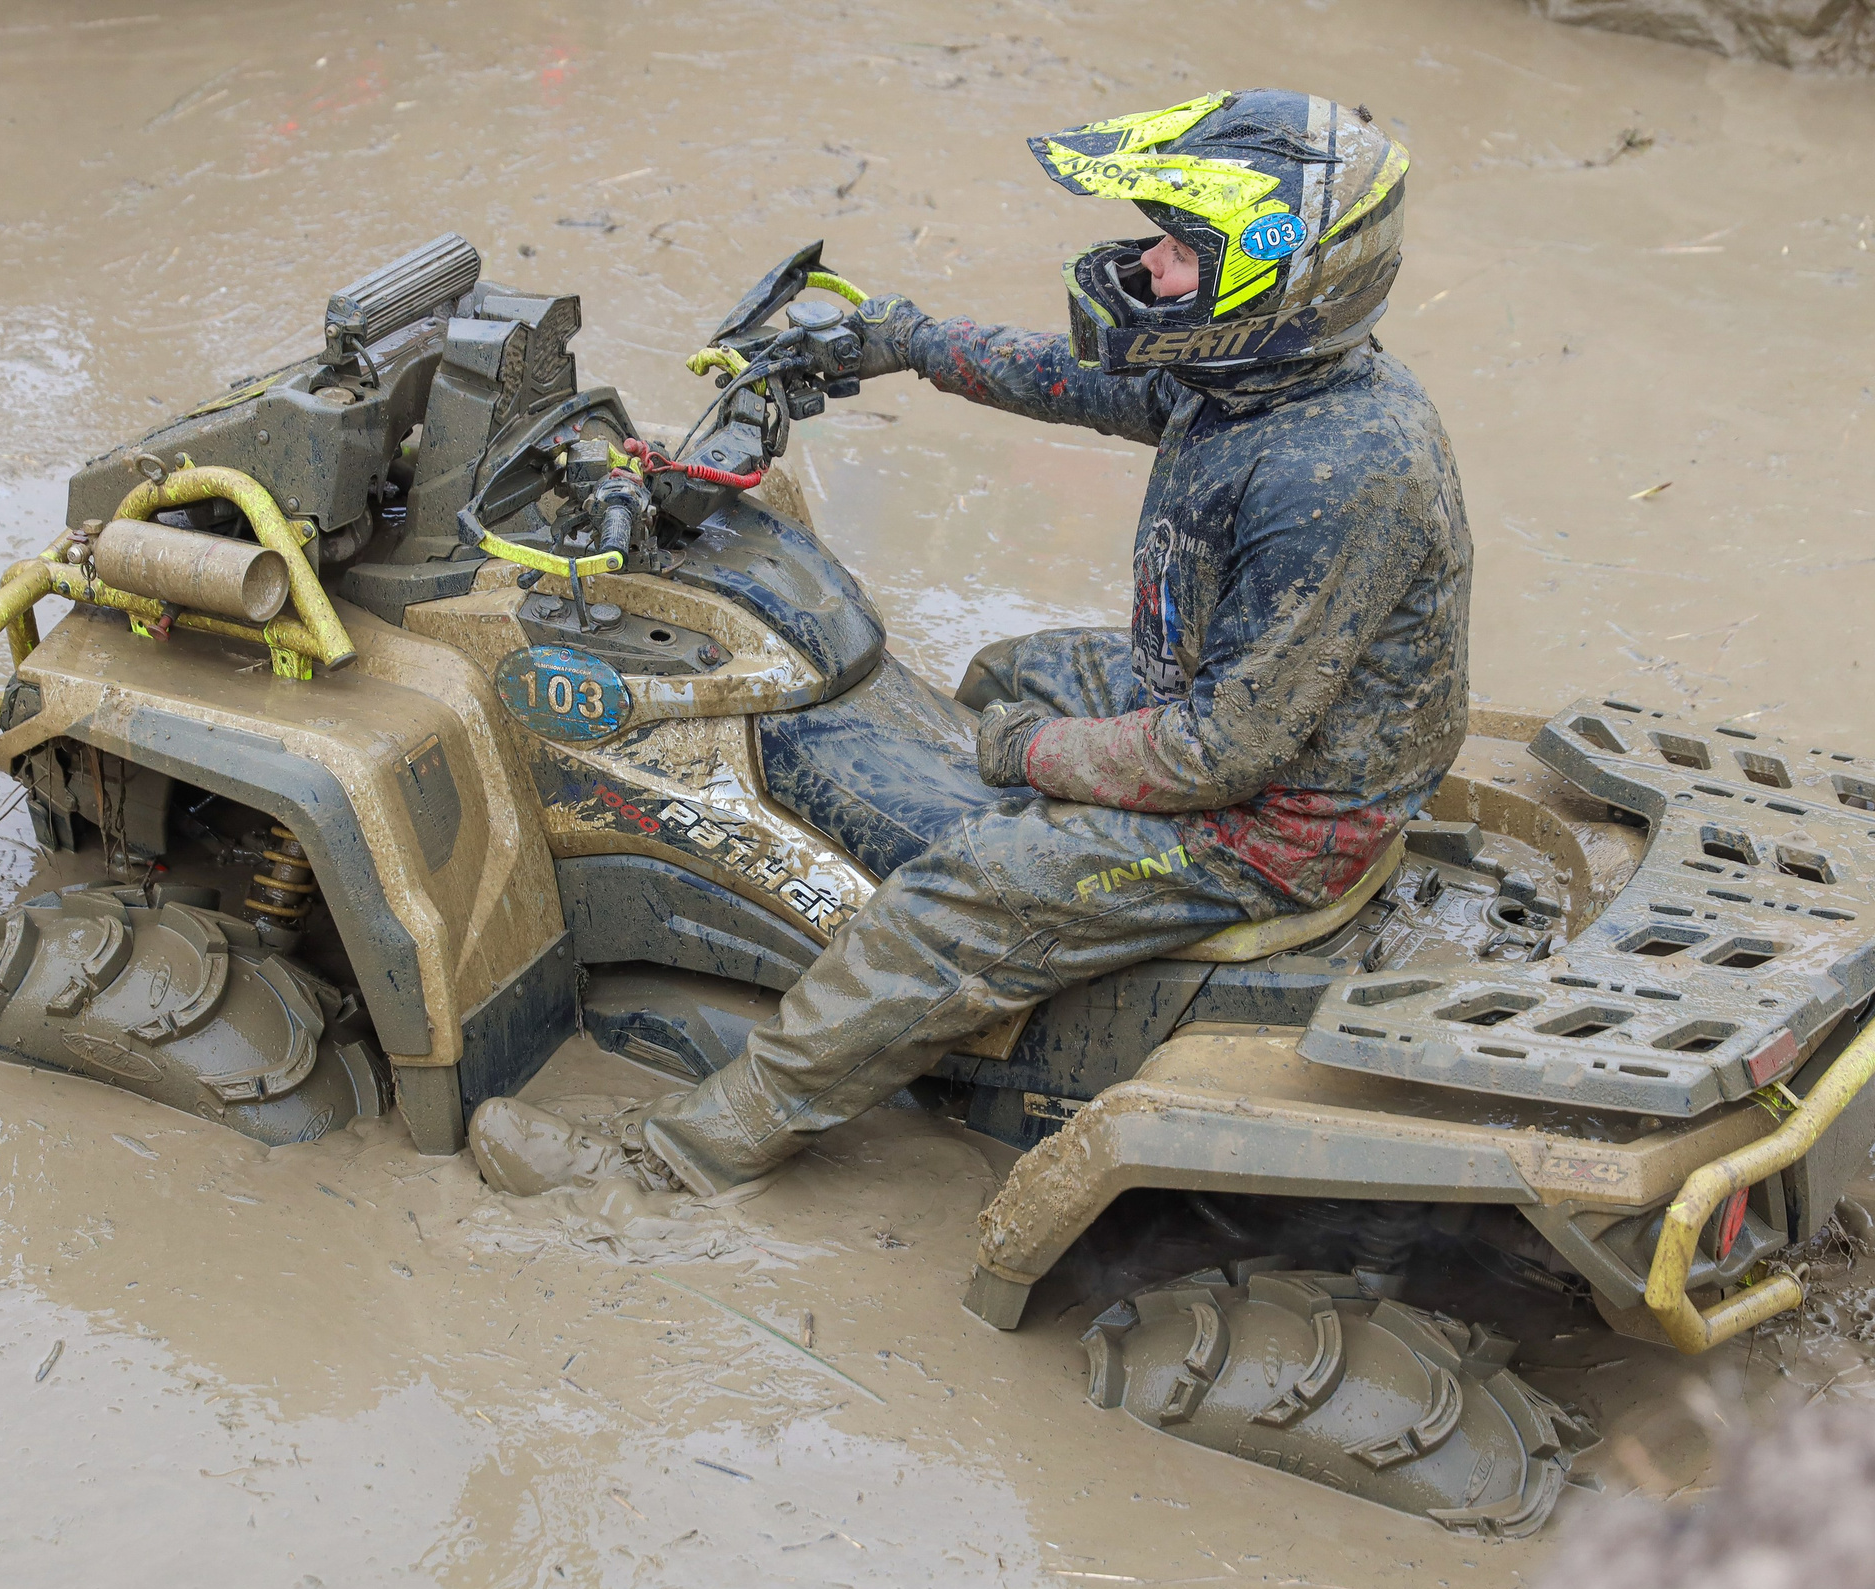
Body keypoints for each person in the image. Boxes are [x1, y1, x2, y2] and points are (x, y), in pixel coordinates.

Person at [469, 89, 1474, 1198]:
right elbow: (1074, 378)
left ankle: (669, 1160)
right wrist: (899, 339)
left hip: (1283, 818)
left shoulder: (1331, 475)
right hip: (1245, 708)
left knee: (956, 889)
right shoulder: (1261, 382)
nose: (1145, 263)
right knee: (1008, 673)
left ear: (1279, 281)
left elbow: (1217, 756)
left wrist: (1019, 757)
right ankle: (1002, 949)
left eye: (1181, 250)